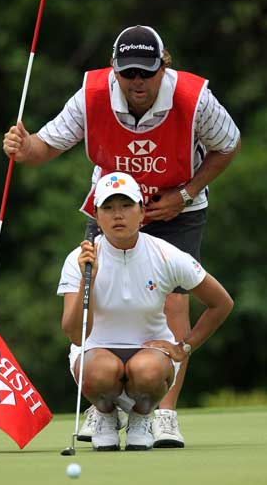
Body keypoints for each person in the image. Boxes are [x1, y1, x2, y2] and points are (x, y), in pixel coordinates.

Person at [3, 25, 241, 447]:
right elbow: (46, 147)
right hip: (114, 203)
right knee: (98, 294)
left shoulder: (194, 97)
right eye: (128, 73)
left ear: (162, 66)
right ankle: (104, 407)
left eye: (146, 73)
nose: (137, 82)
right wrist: (24, 149)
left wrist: (184, 194)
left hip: (178, 206)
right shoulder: (92, 95)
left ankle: (163, 412)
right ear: (114, 70)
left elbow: (229, 144)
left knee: (174, 300)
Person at [57, 171, 233, 451]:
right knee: (100, 372)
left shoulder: (167, 254)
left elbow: (221, 303)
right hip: (94, 351)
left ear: (142, 213)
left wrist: (184, 347)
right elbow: (74, 334)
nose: (118, 215)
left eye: (126, 206)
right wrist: (86, 281)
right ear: (97, 217)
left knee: (148, 371)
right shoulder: (79, 260)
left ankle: (141, 417)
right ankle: (105, 415)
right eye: (108, 208)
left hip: (151, 353)